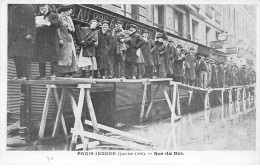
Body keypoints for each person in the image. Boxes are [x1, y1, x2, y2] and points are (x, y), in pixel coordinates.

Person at [8, 4, 35, 80]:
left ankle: (26, 76)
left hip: (24, 36)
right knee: (16, 57)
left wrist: (30, 33)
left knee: (25, 57)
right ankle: (19, 75)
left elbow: (32, 22)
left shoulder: (27, 6)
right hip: (14, 37)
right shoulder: (11, 6)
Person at [33, 4, 61, 78]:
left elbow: (58, 24)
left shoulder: (54, 15)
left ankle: (53, 74)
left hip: (51, 39)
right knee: (41, 57)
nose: (42, 8)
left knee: (53, 57)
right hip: (41, 39)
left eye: (43, 6)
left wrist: (48, 22)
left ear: (48, 6)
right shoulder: (38, 16)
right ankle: (42, 74)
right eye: (40, 6)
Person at [55, 4, 77, 77]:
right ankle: (63, 73)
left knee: (71, 56)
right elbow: (57, 29)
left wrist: (72, 29)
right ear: (65, 10)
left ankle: (70, 73)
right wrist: (60, 38)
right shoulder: (59, 17)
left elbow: (72, 29)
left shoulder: (69, 18)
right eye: (70, 10)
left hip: (69, 39)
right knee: (63, 57)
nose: (71, 12)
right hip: (63, 39)